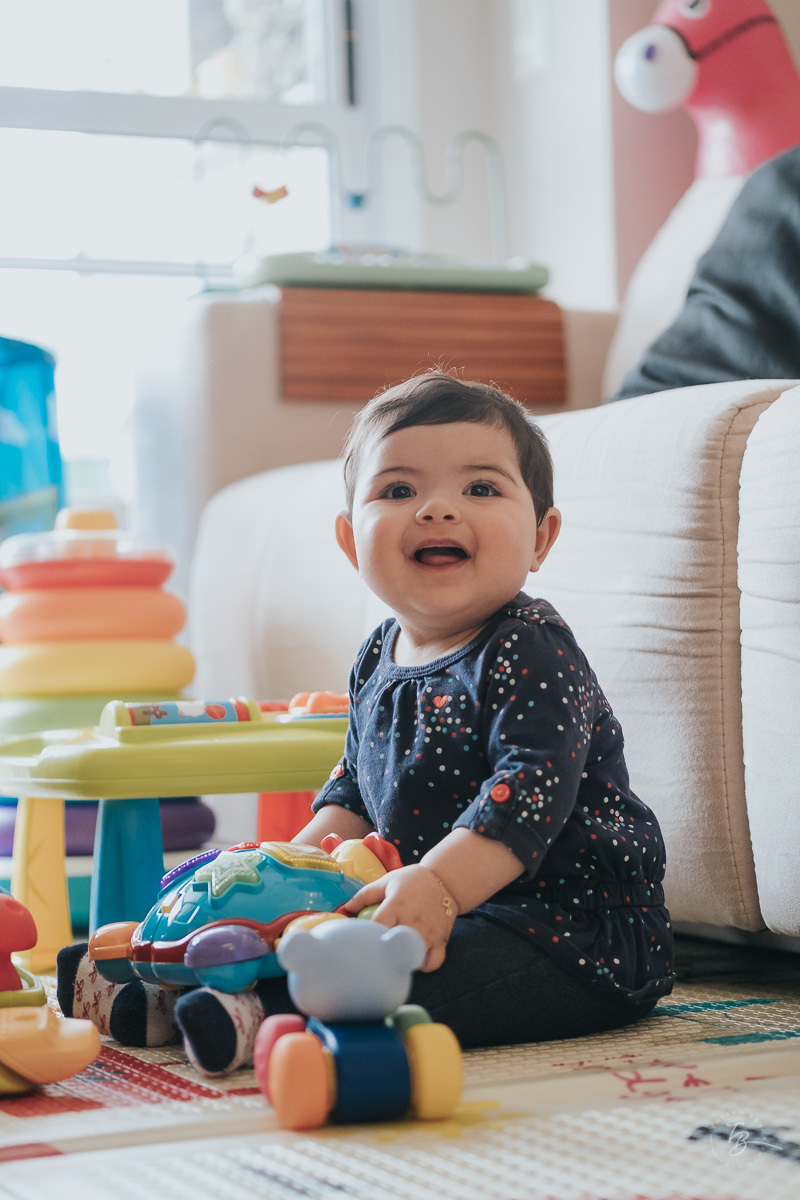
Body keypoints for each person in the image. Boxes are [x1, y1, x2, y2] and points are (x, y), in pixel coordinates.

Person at [58, 372, 674, 1075]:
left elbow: (527, 794)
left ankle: (249, 1012)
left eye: (480, 488)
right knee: (316, 938)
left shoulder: (529, 648)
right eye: (399, 489)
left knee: (390, 974)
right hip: (422, 904)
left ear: (541, 537)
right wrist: (276, 877)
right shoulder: (377, 655)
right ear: (352, 543)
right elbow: (353, 789)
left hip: (567, 933)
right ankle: (162, 986)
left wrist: (441, 886)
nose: (437, 509)